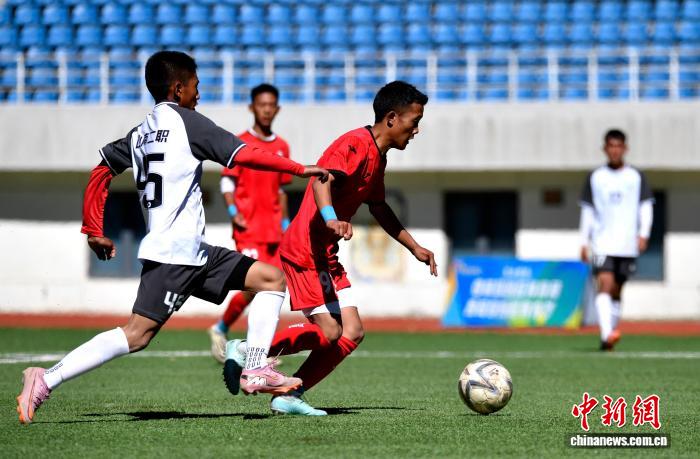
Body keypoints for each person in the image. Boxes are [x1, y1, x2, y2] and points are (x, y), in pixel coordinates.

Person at [15, 51, 329, 425]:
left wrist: (93, 229)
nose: (199, 94)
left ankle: (256, 366)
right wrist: (299, 169)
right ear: (179, 89)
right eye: (196, 86)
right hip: (175, 255)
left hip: (194, 252)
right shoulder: (188, 123)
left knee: (271, 278)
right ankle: (46, 378)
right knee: (137, 334)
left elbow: (101, 170)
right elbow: (244, 155)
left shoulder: (140, 132)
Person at [223, 81, 437, 415]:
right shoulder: (354, 143)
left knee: (352, 332)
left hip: (325, 254)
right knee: (331, 331)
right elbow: (322, 179)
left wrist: (415, 247)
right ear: (392, 118)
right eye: (415, 121)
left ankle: (290, 394)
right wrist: (330, 218)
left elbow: (379, 207)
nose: (417, 130)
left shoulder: (378, 158)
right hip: (305, 249)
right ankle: (250, 350)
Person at [208, 83, 292, 364]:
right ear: (252, 107)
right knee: (256, 287)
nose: (266, 110)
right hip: (248, 228)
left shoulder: (282, 147)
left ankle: (245, 342)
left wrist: (285, 223)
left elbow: (281, 190)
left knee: (272, 288)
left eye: (271, 105)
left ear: (277, 109)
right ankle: (232, 335)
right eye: (261, 105)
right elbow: (227, 182)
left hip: (274, 230)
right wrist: (234, 211)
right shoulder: (240, 142)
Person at [579, 129, 653, 351]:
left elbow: (645, 206)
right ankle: (606, 335)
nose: (614, 150)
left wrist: (644, 233)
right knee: (605, 284)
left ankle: (610, 333)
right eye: (610, 146)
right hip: (602, 242)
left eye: (618, 146)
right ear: (605, 148)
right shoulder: (596, 177)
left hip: (627, 244)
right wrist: (583, 241)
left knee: (617, 291)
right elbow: (588, 211)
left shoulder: (636, 176)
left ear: (625, 148)